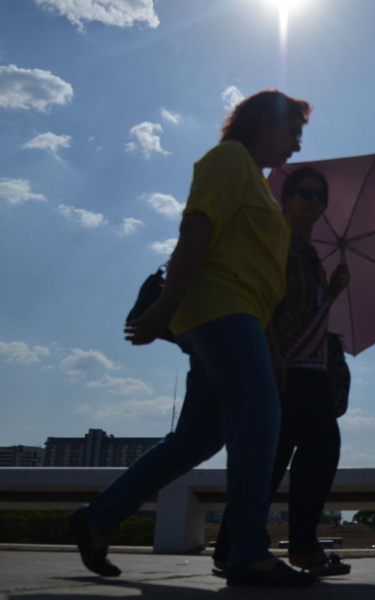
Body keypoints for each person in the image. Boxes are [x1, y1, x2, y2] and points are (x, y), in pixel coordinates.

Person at [69, 89, 317, 588]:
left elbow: (255, 277)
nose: (295, 146)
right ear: (264, 125)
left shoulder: (258, 186)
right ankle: (247, 550)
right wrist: (163, 308)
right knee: (259, 421)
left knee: (199, 437)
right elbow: (196, 232)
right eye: (292, 132)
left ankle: (98, 518)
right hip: (219, 310)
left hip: (241, 314)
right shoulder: (228, 160)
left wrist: (271, 348)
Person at [212, 167, 352, 578]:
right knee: (317, 448)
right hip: (286, 365)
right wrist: (271, 355)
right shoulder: (279, 243)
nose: (314, 201)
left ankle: (230, 547)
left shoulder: (309, 253)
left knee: (276, 456)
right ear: (286, 199)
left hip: (308, 367)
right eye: (305, 193)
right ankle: (302, 548)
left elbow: (304, 308)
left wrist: (333, 292)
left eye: (320, 197)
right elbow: (264, 300)